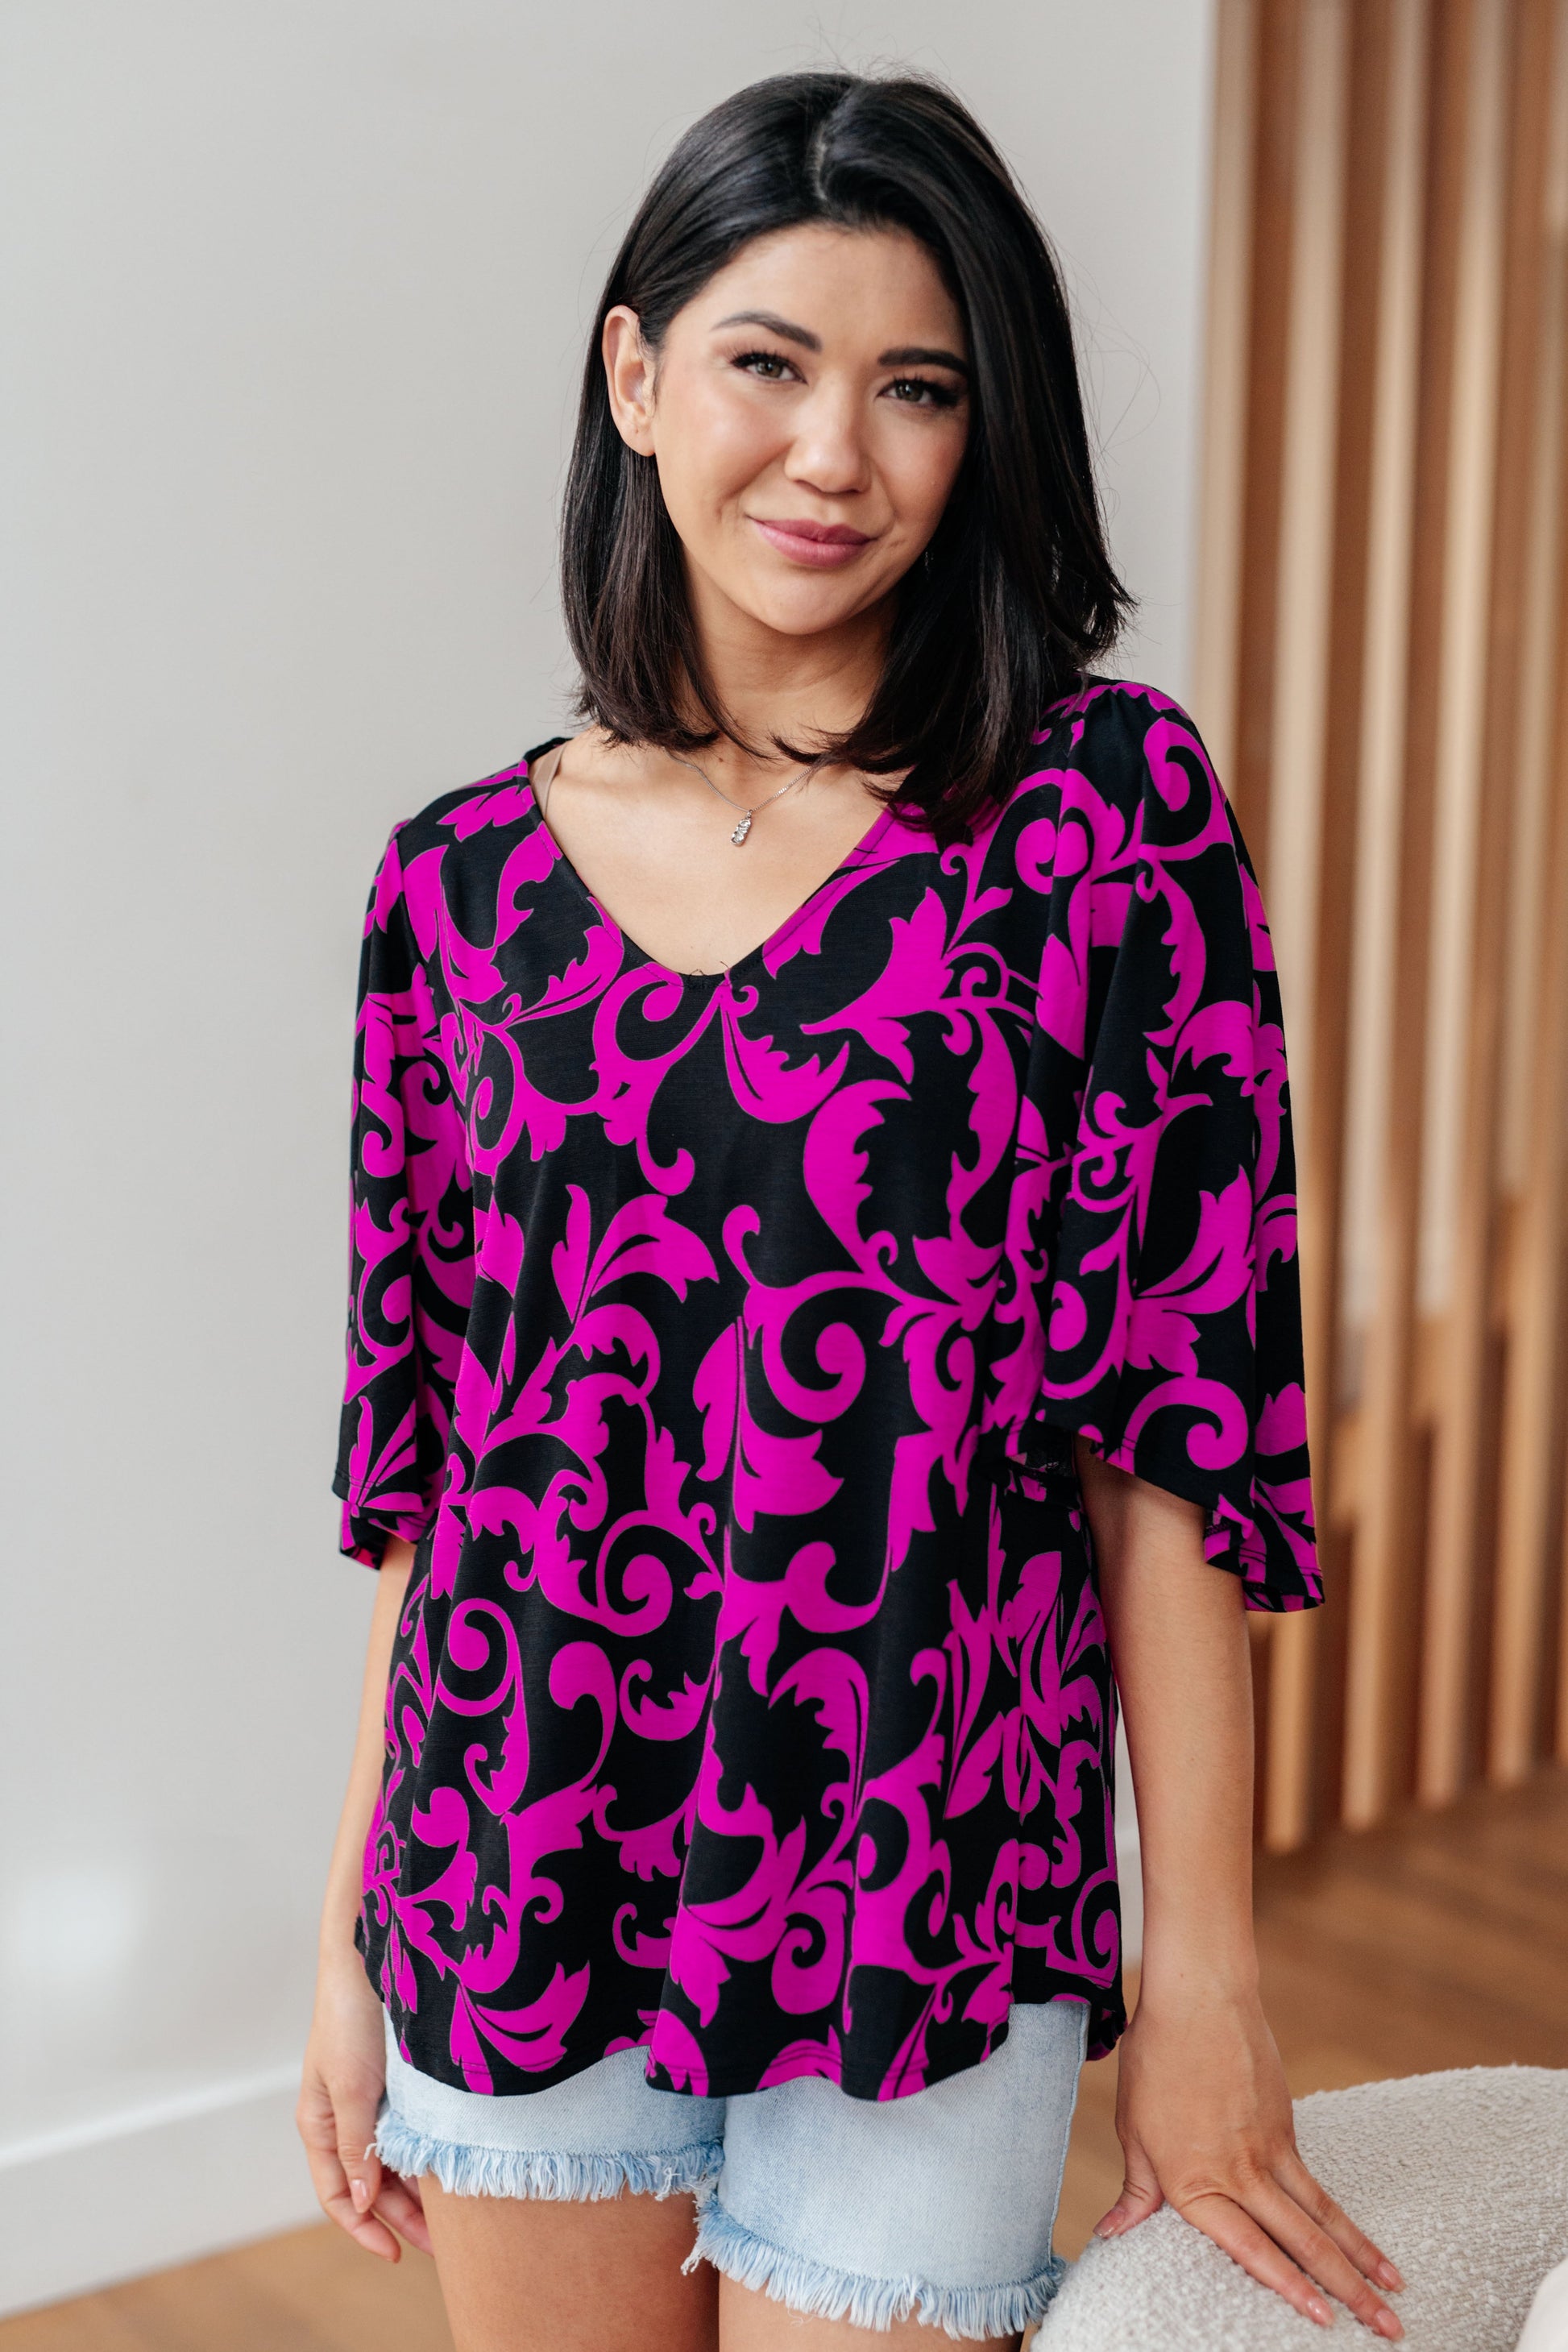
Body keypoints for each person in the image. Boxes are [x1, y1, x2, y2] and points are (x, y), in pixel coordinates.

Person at [297, 68, 1407, 2352]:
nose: (834, 454)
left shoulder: (1103, 820)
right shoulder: (452, 888)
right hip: (514, 1858)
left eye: (918, 387)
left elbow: (1176, 1436)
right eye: (768, 363)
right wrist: (342, 1940)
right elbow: (437, 1461)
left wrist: (1202, 1978)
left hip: (932, 1875)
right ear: (635, 376)